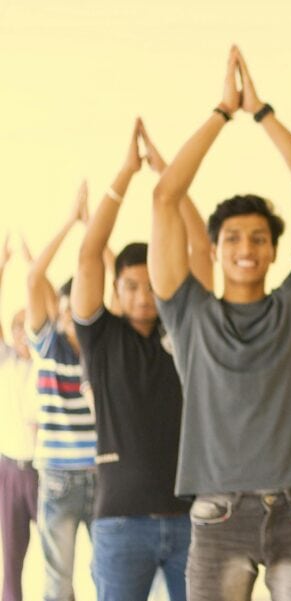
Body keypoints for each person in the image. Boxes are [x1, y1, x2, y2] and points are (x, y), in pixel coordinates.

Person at [150, 47, 291, 601]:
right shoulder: (189, 311)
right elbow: (164, 196)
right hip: (218, 515)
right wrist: (222, 112)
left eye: (259, 238)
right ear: (216, 249)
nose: (246, 247)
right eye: (233, 238)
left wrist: (263, 112)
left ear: (274, 251)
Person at [70, 118, 210, 601]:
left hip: (191, 519)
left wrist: (168, 179)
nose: (144, 295)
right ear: (116, 289)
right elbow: (88, 256)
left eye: (151, 284)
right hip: (120, 523)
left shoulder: (184, 327)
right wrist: (126, 175)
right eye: (131, 286)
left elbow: (200, 250)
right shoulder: (101, 336)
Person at [25, 182, 96, 601]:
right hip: (57, 476)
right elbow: (35, 277)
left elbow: (117, 276)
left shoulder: (101, 348)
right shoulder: (47, 343)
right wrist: (73, 222)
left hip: (102, 475)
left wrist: (96, 232)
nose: (71, 316)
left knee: (111, 572)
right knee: (58, 582)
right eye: (66, 309)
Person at [0, 234, 41, 601]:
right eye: (17, 328)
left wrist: (31, 264)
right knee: (11, 560)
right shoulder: (6, 363)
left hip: (47, 471)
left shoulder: (49, 361)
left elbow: (47, 303)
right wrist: (3, 263)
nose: (23, 335)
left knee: (56, 559)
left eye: (29, 328)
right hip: (10, 470)